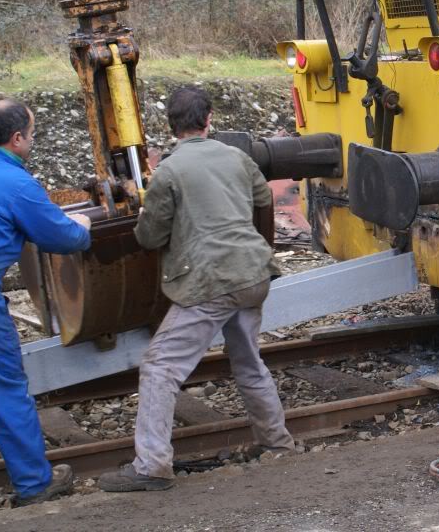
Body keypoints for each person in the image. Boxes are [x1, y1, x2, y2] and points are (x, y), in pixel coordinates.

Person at [99, 86, 294, 492]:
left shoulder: (168, 172)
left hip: (211, 282)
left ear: (172, 126)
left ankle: (152, 465)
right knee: (248, 361)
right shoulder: (237, 157)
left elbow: (150, 237)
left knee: (160, 367)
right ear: (209, 120)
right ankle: (277, 443)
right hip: (253, 274)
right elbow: (262, 198)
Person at [0, 99, 92, 505]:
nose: (32, 142)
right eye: (32, 135)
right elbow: (61, 238)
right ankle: (35, 484)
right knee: (4, 390)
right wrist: (81, 225)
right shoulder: (17, 184)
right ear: (17, 139)